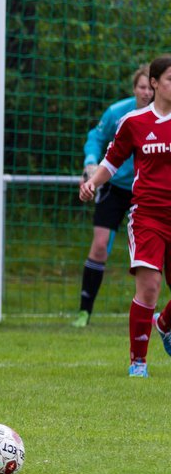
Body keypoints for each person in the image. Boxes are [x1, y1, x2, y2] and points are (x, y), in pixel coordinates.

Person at [79, 54, 171, 377]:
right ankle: (138, 362)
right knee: (150, 286)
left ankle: (163, 323)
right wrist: (92, 181)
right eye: (170, 79)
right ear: (156, 83)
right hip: (148, 214)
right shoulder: (133, 122)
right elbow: (112, 161)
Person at [73, 65, 154, 327]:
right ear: (134, 88)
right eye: (141, 87)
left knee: (154, 256)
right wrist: (90, 165)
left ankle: (156, 315)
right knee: (99, 246)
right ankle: (84, 312)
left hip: (149, 192)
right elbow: (95, 140)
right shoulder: (118, 113)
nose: (146, 92)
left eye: (150, 88)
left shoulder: (163, 117)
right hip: (115, 189)